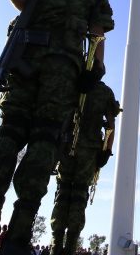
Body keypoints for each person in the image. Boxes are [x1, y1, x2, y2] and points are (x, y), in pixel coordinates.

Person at [0, 0, 114, 255]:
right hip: (63, 70)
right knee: (45, 141)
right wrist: (95, 68)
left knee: (9, 134)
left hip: (25, 62)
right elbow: (97, 34)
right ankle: (17, 239)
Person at [50, 81, 119, 255]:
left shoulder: (74, 81)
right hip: (88, 149)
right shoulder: (104, 91)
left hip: (68, 146)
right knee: (78, 195)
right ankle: (69, 245)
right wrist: (107, 150)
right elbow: (111, 125)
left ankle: (57, 244)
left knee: (63, 192)